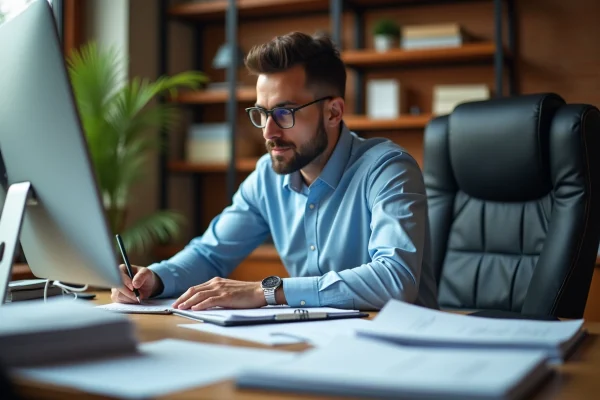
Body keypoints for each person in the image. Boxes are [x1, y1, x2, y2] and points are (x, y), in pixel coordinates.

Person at [111, 32, 439, 311]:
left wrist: (266, 291)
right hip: (315, 346)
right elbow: (210, 255)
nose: (268, 132)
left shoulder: (388, 169)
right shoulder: (267, 178)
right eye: (262, 112)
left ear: (333, 112)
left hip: (404, 351)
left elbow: (395, 279)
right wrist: (154, 279)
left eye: (284, 112)